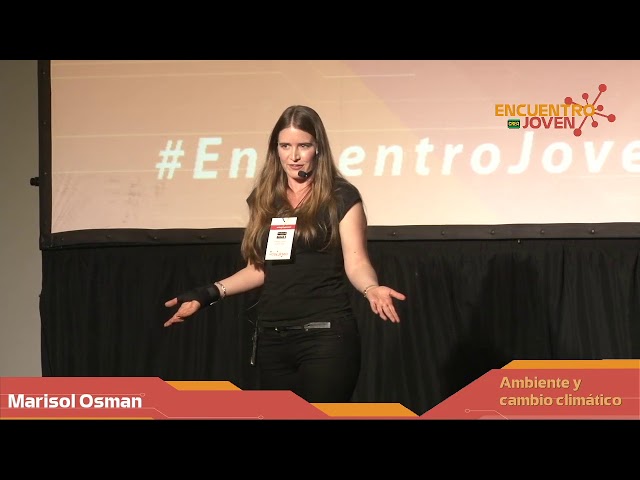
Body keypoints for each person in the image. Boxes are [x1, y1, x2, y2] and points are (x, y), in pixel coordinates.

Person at [164, 105, 406, 403]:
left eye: (303, 146)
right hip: (273, 340)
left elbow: (356, 262)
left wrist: (371, 288)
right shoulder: (265, 199)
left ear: (318, 148)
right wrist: (207, 294)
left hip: (325, 338)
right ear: (275, 149)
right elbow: (259, 269)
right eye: (285, 146)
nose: (294, 156)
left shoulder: (340, 197)